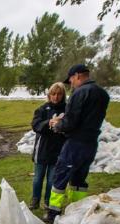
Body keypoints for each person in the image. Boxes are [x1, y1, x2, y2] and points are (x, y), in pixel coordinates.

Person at [45, 64, 110, 224]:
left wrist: (57, 125)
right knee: (79, 178)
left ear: (78, 76)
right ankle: (77, 209)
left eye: (71, 80)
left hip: (75, 142)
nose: (71, 83)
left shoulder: (80, 93)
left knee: (61, 175)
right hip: (91, 142)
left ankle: (53, 212)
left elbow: (71, 121)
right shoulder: (103, 94)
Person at [29, 82, 67, 210]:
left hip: (58, 151)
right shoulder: (42, 109)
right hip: (42, 150)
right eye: (53, 94)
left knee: (52, 180)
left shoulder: (67, 110)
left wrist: (61, 125)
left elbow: (71, 128)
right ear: (49, 95)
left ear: (63, 95)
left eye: (59, 94)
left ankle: (47, 201)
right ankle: (35, 200)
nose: (56, 97)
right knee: (38, 178)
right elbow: (35, 125)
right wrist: (48, 123)